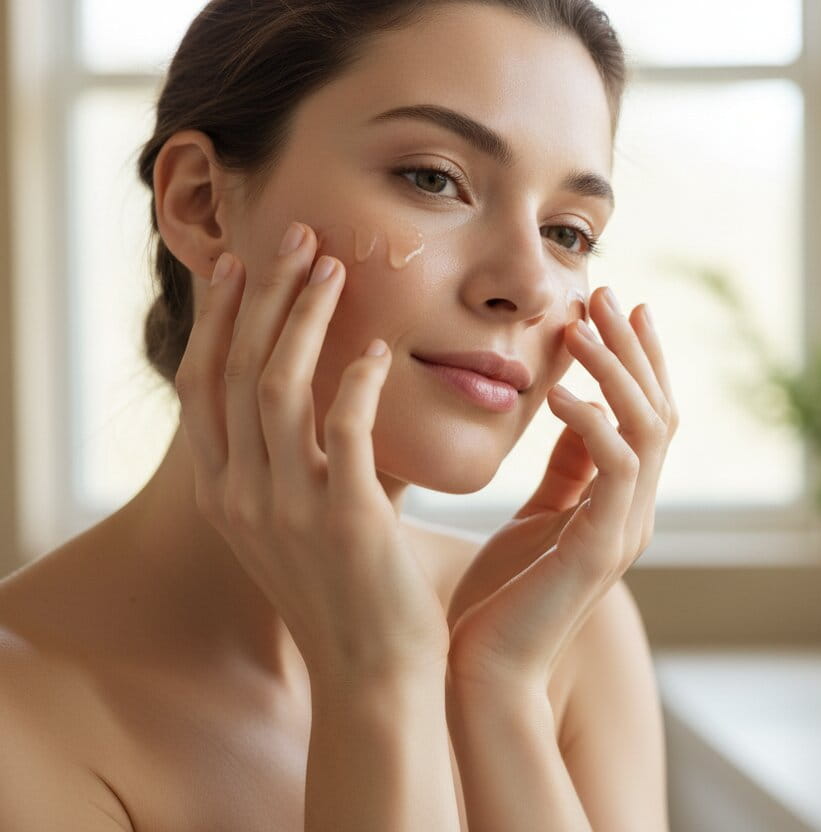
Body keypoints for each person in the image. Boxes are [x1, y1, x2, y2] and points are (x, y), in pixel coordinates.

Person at [0, 1, 678, 829]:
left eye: (568, 232)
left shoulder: (565, 636)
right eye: (434, 178)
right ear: (202, 203)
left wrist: (500, 697)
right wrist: (381, 680)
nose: (531, 285)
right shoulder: (20, 719)